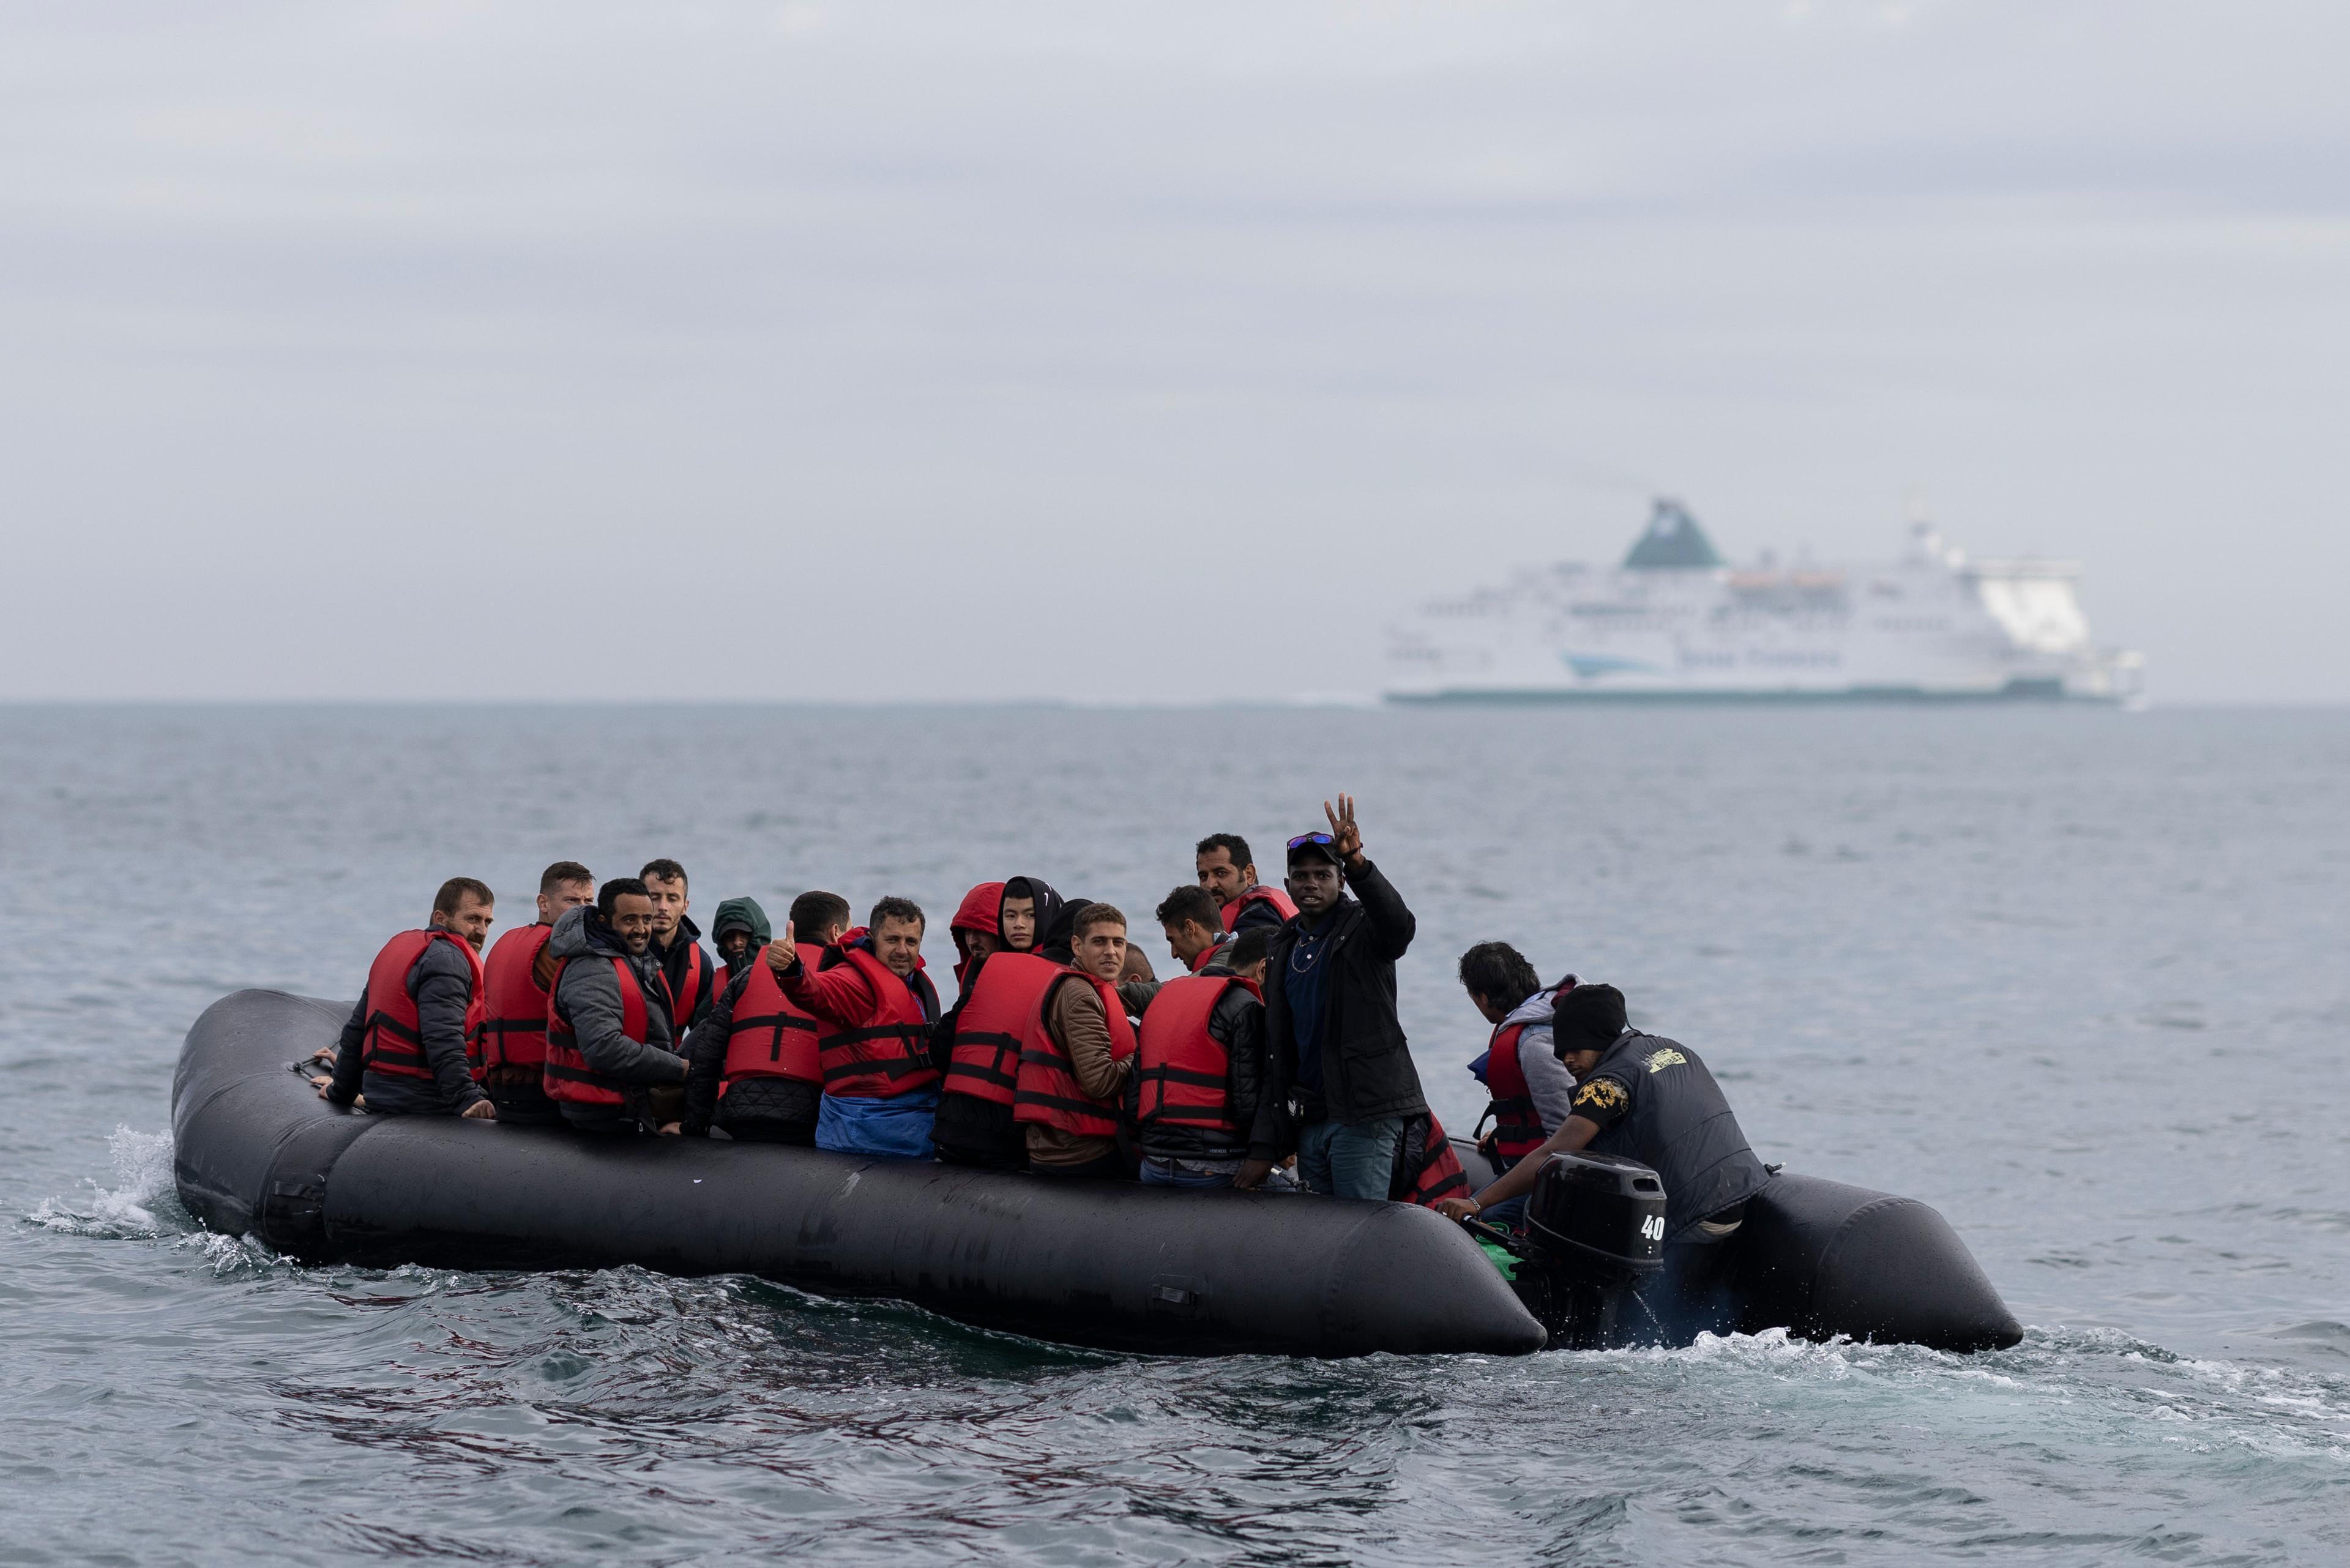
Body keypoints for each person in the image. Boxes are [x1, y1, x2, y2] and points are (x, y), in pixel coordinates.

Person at [1436, 983, 1771, 1333]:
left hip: (1692, 1220)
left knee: (1530, 1222)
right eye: (1561, 1052)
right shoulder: (1673, 1050)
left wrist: (1476, 1202)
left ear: (1598, 1038)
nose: (1566, 1061)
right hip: (1741, 1198)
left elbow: (1555, 1153)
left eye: (1574, 1051)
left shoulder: (1607, 1085)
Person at [1262, 795, 1428, 1201]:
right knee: (1320, 1239)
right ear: (1287, 886)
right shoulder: (1283, 944)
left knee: (1359, 1234)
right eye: (1302, 876)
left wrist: (1357, 863)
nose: (1312, 883)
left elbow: (1399, 926)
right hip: (1311, 1116)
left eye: (1323, 874)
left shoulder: (1364, 930)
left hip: (1362, 1115)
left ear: (1340, 882)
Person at [773, 895, 942, 1159]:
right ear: (873, 940)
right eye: (892, 940)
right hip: (865, 1129)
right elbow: (817, 991)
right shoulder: (854, 981)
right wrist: (792, 970)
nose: (902, 950)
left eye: (911, 942)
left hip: (907, 1122)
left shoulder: (912, 985)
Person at [316, 878, 498, 1119]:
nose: (482, 931)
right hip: (429, 1100)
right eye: (472, 919)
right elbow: (443, 1038)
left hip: (382, 1093)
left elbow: (356, 1030)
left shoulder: (399, 950)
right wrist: (467, 1099)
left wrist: (340, 1091)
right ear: (441, 919)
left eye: (487, 922)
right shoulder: (448, 960)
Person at [679, 892, 848, 1145]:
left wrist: (695, 1125)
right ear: (837, 932)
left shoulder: (745, 977)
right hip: (810, 1121)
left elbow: (706, 1055)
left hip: (740, 1116)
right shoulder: (843, 981)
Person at [930, 876, 1068, 1168]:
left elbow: (942, 1047)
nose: (1019, 924)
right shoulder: (1060, 978)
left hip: (954, 1127)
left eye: (1030, 915)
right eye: (1010, 915)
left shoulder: (990, 972)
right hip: (1004, 1132)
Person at [1130, 924, 1277, 1189]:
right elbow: (1248, 1105)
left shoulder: (1165, 998)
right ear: (1263, 970)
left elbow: (1134, 1096)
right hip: (1213, 1168)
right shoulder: (1246, 1006)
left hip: (1152, 1165)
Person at [542, 878, 692, 1133]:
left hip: (632, 1103)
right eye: (630, 920)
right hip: (602, 1117)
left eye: (646, 919)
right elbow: (603, 1049)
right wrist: (680, 1069)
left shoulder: (634, 961)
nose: (641, 929)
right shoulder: (592, 968)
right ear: (604, 921)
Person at [1456, 941, 1581, 1223]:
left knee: (1481, 1221)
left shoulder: (1534, 1043)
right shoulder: (1528, 1022)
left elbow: (1567, 1136)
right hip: (1530, 1160)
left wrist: (1478, 1204)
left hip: (1557, 1176)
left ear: (1484, 998)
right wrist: (1509, 1134)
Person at [1015, 903, 1140, 1179]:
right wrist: (1147, 1057)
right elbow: (1099, 1081)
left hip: (1068, 1144)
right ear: (1077, 945)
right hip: (1077, 1153)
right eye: (1099, 942)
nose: (1111, 951)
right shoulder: (1079, 995)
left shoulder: (1090, 987)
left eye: (1118, 942)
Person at [469, 861, 595, 1126]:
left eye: (589, 901)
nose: (584, 910)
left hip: (503, 1090)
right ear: (543, 904)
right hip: (547, 1091)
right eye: (573, 901)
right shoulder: (559, 952)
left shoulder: (504, 942)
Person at [641, 859, 718, 1036]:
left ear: (685, 906)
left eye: (672, 898)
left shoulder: (701, 964)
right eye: (655, 897)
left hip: (675, 1060)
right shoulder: (620, 952)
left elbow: (706, 1033)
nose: (663, 907)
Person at [1195, 833, 1299, 933]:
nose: (1210, 885)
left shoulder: (1258, 917)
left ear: (1249, 875)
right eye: (1204, 877)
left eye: (1221, 873)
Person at [1154, 884, 1231, 974]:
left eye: (1172, 940)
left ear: (1190, 928)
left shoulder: (1231, 965)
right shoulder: (1233, 957)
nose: (1174, 954)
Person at [947, 880, 1005, 991]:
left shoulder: (1028, 977)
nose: (972, 941)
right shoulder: (970, 974)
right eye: (968, 931)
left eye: (981, 931)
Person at [710, 897, 772, 988]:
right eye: (728, 937)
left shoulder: (784, 978)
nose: (737, 942)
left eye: (744, 934)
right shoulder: (714, 987)